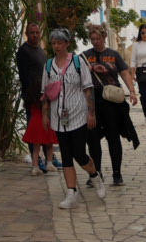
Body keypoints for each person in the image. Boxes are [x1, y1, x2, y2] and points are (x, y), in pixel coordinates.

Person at [43, 27, 106, 207]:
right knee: (66, 156)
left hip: (78, 115)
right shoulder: (48, 66)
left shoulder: (78, 63)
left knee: (79, 154)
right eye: (54, 43)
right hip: (59, 117)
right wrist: (45, 115)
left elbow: (88, 89)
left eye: (60, 43)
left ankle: (95, 176)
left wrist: (91, 113)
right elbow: (45, 92)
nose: (57, 46)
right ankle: (71, 193)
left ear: (67, 44)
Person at [83, 24, 139, 186]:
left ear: (104, 38)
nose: (95, 42)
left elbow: (124, 73)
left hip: (111, 102)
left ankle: (117, 173)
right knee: (93, 139)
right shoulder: (85, 56)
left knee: (113, 137)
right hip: (92, 101)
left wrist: (132, 91)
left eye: (98, 39)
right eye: (92, 39)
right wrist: (92, 67)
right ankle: (96, 173)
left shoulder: (113, 55)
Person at [17, 22, 57, 173]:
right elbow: (24, 76)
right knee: (34, 128)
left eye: (37, 32)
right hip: (33, 98)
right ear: (27, 34)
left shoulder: (40, 50)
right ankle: (37, 161)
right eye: (31, 32)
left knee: (47, 127)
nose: (35, 35)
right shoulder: (23, 51)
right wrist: (31, 96)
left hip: (44, 96)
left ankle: (49, 158)